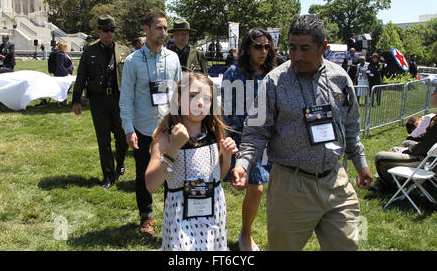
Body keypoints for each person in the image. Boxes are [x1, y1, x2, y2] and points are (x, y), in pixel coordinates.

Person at [231, 15, 373, 251]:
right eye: (292, 48)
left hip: (335, 182)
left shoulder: (340, 78)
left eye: (305, 49)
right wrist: (243, 164)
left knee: (347, 247)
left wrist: (360, 163)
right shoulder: (275, 82)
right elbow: (256, 132)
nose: (297, 56)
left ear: (323, 47)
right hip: (291, 188)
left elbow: (350, 126)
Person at [145, 72, 237, 251]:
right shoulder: (166, 136)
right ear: (178, 99)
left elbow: (218, 177)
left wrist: (227, 157)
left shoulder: (213, 131)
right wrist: (173, 148)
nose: (200, 103)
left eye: (206, 99)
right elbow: (150, 184)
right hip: (181, 217)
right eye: (193, 96)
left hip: (212, 212)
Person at [119, 12, 182, 237]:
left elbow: (178, 94)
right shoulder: (133, 61)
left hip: (167, 128)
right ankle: (146, 218)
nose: (163, 33)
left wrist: (179, 124)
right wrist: (128, 129)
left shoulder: (173, 59)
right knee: (144, 175)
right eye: (158, 28)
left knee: (170, 174)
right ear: (146, 29)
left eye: (165, 28)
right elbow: (126, 98)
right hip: (143, 128)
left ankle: (170, 217)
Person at [222, 28, 276, 251]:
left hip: (265, 140)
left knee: (257, 187)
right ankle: (223, 230)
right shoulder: (233, 74)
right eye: (258, 47)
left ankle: (246, 232)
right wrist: (223, 139)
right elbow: (225, 109)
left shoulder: (273, 74)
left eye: (267, 47)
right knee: (244, 186)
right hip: (237, 138)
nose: (263, 51)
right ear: (247, 48)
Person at [72, 15, 130, 189]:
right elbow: (81, 76)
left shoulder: (124, 50)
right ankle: (108, 175)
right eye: (106, 30)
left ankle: (119, 164)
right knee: (103, 140)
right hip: (99, 100)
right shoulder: (90, 51)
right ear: (98, 31)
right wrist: (76, 100)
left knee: (122, 136)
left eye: (112, 30)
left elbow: (130, 76)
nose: (109, 34)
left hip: (119, 99)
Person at [371, 88, 437, 192]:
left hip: (428, 161)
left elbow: (425, 146)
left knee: (380, 158)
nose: (432, 94)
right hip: (430, 158)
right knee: (394, 150)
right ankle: (381, 183)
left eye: (434, 92)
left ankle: (388, 187)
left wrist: (408, 150)